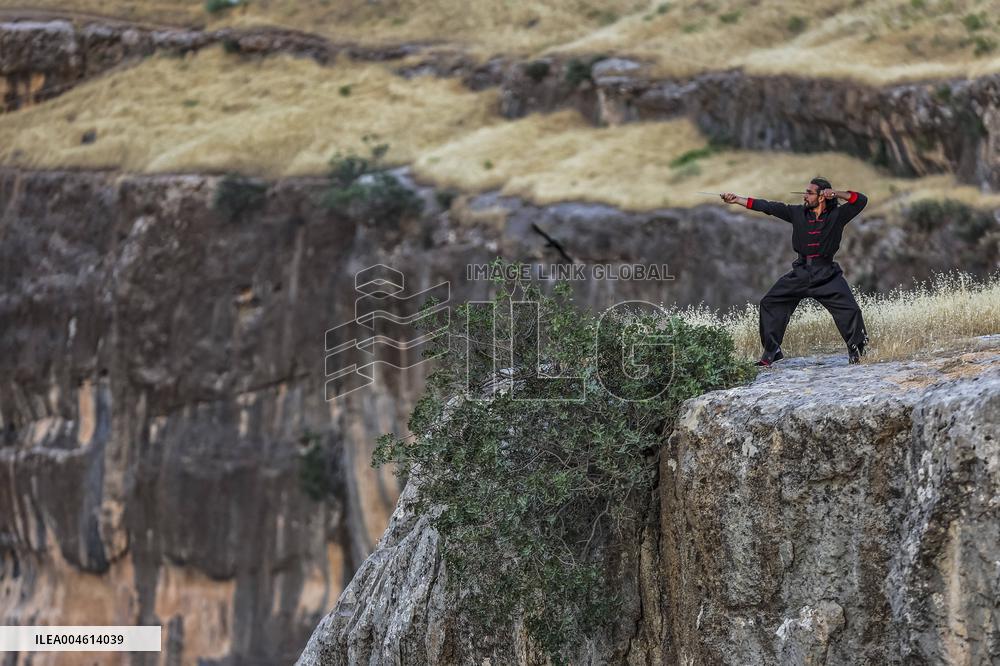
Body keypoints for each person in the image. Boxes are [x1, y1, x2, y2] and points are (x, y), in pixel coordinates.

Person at [720, 177, 870, 366]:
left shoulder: (837, 215)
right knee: (769, 303)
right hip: (800, 273)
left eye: (809, 193)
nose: (805, 196)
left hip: (827, 274)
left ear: (822, 197)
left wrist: (837, 193)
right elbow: (767, 206)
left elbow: (861, 200)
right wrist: (736, 200)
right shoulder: (797, 213)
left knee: (851, 310)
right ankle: (772, 352)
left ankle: (858, 353)